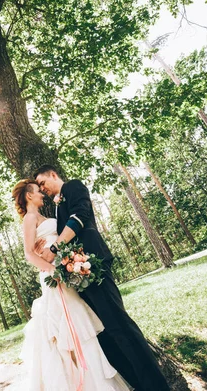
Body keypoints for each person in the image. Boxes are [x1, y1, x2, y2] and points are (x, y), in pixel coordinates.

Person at [34, 165, 170, 391]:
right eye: (38, 187)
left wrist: (55, 248)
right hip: (77, 277)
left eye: (42, 183)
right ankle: (137, 384)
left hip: (93, 267)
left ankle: (157, 386)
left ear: (53, 175)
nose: (42, 188)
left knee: (120, 327)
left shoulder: (74, 186)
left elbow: (80, 216)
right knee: (105, 334)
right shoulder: (57, 208)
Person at [12, 179, 130, 391]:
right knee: (65, 325)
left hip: (64, 271)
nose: (42, 194)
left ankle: (94, 378)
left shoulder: (41, 216)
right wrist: (51, 271)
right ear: (29, 195)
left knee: (79, 320)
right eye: (38, 191)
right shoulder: (29, 218)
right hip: (54, 276)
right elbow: (28, 254)